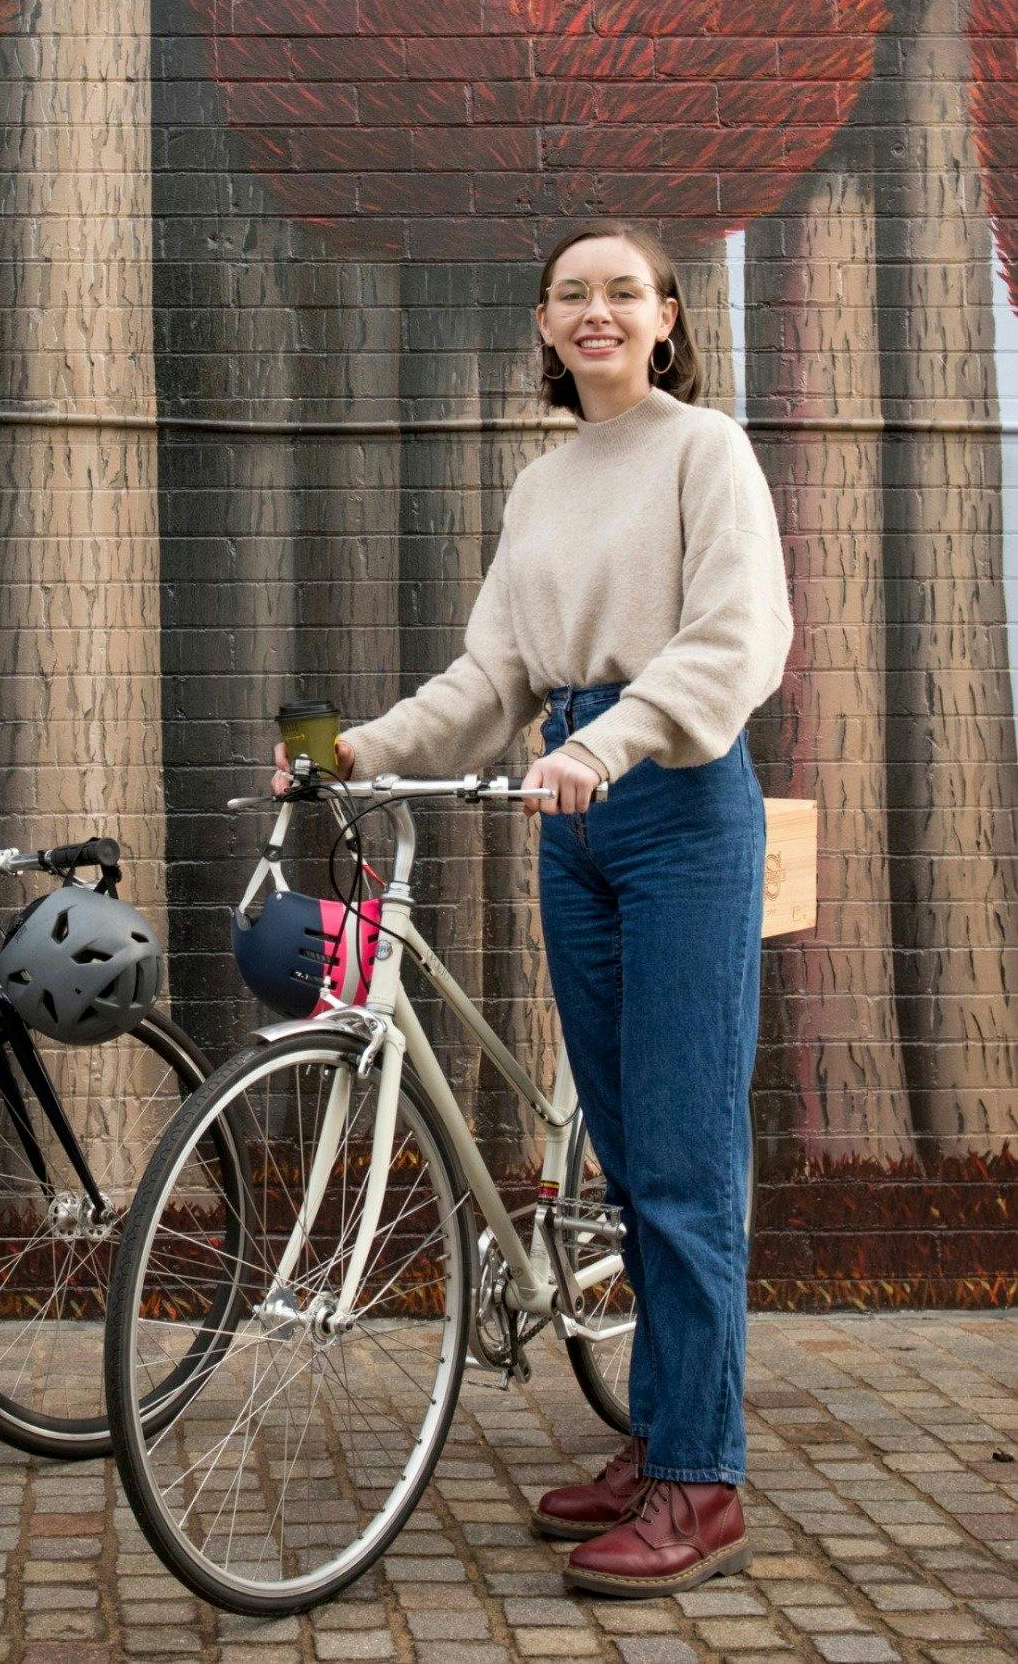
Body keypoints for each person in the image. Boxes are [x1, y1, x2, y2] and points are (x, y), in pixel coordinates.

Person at [283, 221, 791, 1597]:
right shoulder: (543, 482)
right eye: (573, 293)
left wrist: (607, 743)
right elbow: (492, 674)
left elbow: (738, 638)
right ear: (548, 325)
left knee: (685, 1162)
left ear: (668, 315)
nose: (597, 310)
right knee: (626, 1157)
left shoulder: (705, 450)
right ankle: (663, 1434)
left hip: (675, 802)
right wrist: (358, 749)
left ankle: (702, 1482)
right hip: (570, 814)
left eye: (625, 290)